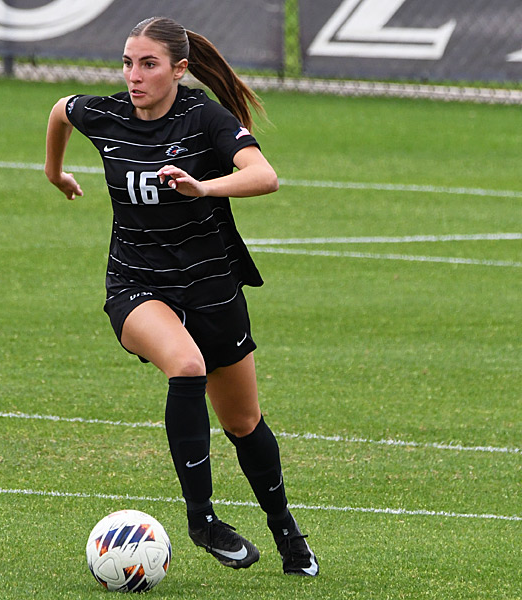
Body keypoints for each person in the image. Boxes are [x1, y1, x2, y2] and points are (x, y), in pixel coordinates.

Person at [45, 16, 318, 576]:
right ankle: (202, 520)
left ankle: (288, 532)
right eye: (127, 62)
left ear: (179, 69)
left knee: (244, 422)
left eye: (148, 64)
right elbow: (60, 111)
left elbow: (264, 176)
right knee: (186, 366)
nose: (134, 75)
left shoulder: (204, 118)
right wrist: (55, 172)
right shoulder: (107, 113)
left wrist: (204, 186)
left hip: (211, 286)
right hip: (136, 285)